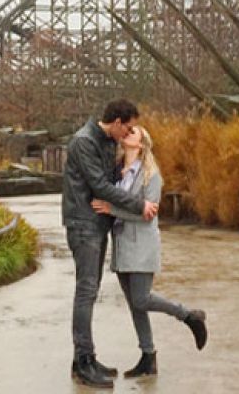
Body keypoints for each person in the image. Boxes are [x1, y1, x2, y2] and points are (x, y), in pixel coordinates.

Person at [93, 125, 208, 378]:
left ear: (143, 143)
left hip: (142, 246)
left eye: (133, 132)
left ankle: (189, 316)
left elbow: (148, 214)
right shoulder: (117, 173)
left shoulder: (151, 175)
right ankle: (148, 357)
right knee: (136, 307)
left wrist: (111, 210)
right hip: (122, 246)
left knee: (142, 299)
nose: (127, 133)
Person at [61, 99, 158, 388]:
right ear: (116, 121)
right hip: (83, 225)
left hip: (96, 225)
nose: (127, 132)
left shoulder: (104, 141)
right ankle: (83, 362)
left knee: (90, 290)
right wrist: (140, 205)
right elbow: (101, 187)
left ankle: (86, 357)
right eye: (126, 127)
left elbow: (113, 180)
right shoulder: (84, 142)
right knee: (86, 291)